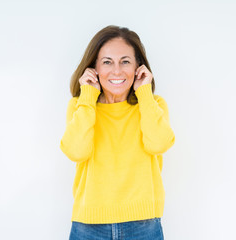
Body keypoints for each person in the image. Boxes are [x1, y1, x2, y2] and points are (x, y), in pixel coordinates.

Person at [59, 25, 175, 240]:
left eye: (125, 61)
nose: (117, 71)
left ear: (138, 67)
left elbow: (159, 144)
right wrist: (88, 97)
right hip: (88, 227)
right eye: (107, 62)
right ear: (93, 68)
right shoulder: (80, 106)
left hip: (144, 225)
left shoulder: (153, 105)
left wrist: (144, 94)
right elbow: (76, 152)